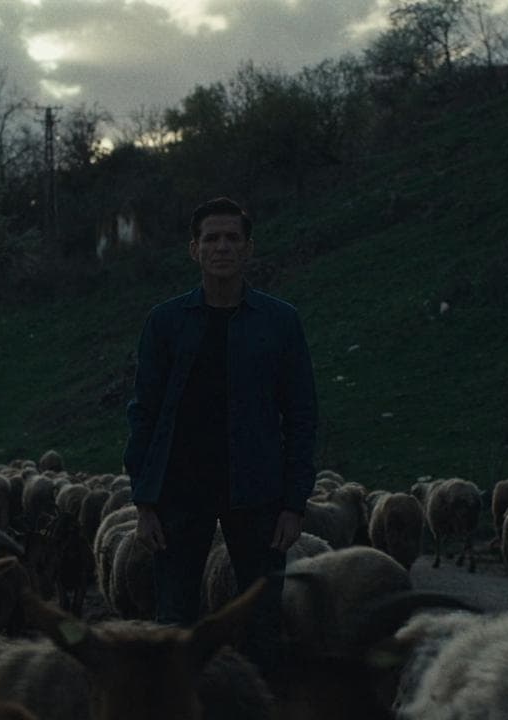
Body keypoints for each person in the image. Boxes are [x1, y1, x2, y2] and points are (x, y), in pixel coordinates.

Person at [123, 196, 318, 675]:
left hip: (258, 494)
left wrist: (294, 504)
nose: (222, 247)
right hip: (179, 493)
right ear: (194, 249)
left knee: (262, 621)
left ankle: (257, 702)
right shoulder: (166, 322)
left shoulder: (280, 321)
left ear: (249, 248)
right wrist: (144, 503)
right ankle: (177, 704)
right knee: (174, 622)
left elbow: (301, 414)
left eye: (233, 238)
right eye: (211, 238)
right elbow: (144, 414)